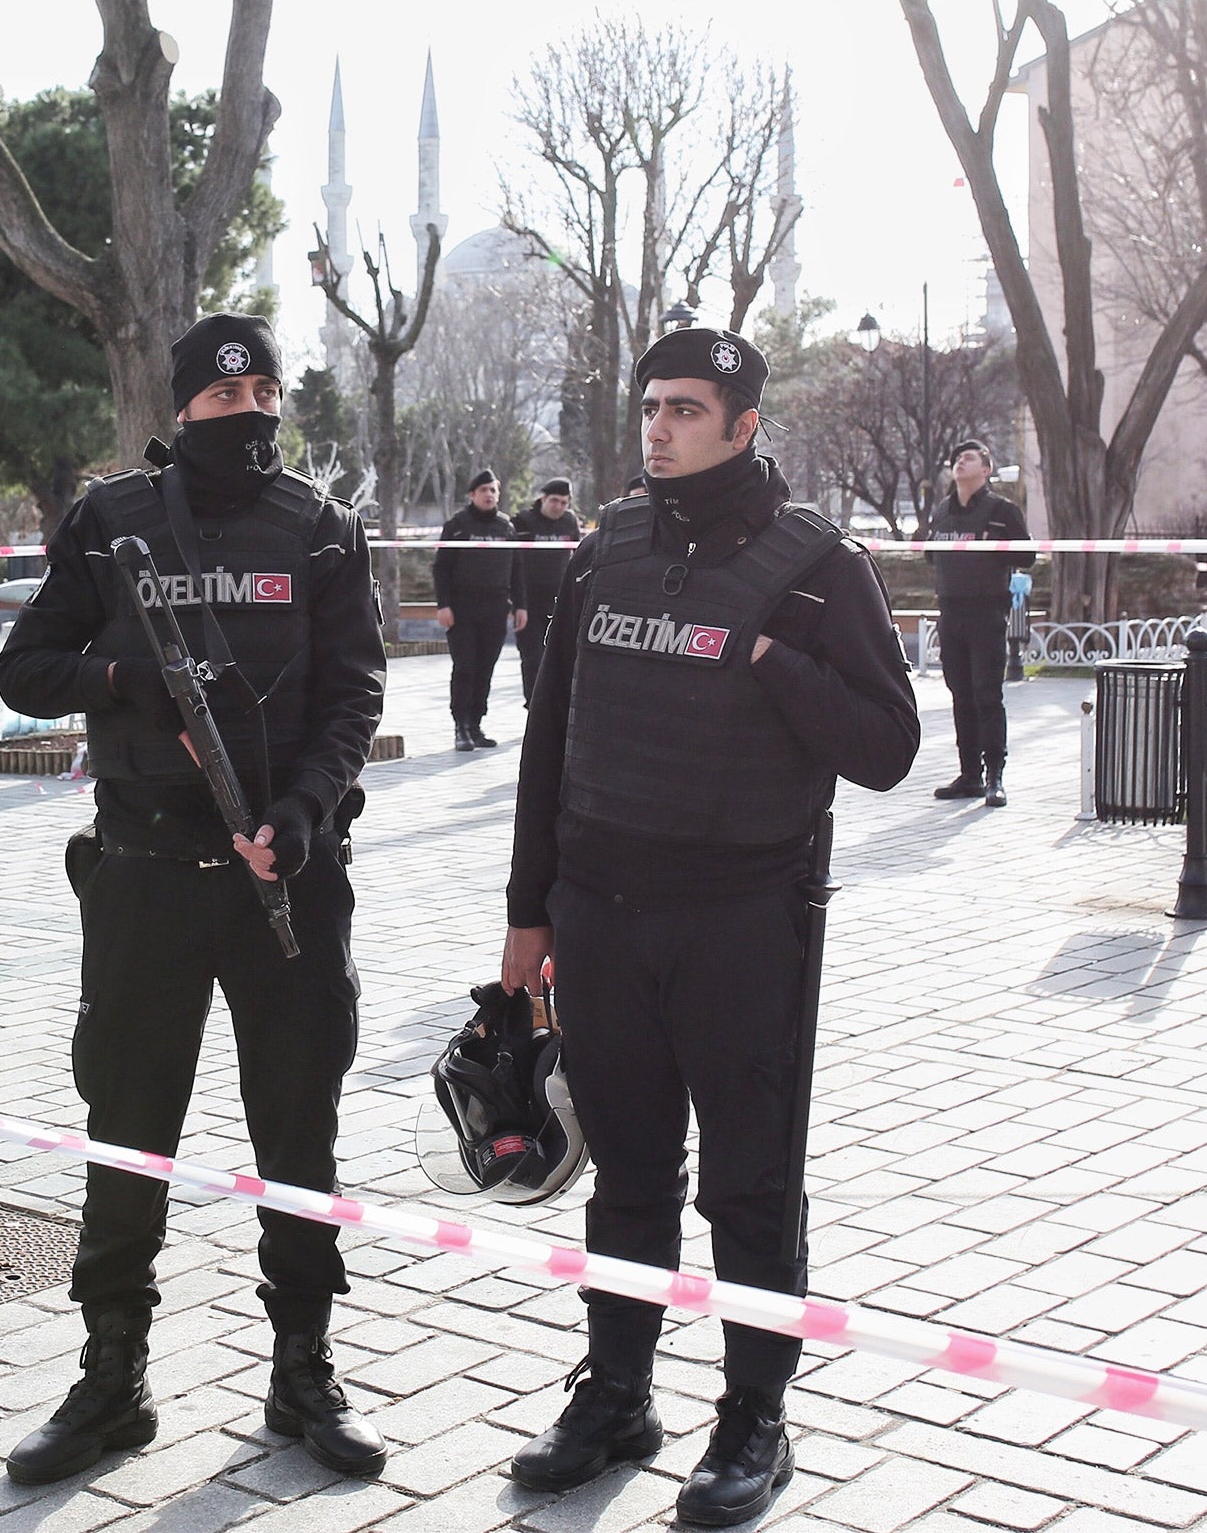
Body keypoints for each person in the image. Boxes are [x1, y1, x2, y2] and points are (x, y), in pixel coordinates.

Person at [500, 326, 919, 1525]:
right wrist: (528, 914)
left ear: (742, 426)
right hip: (600, 915)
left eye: (685, 411)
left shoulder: (816, 567)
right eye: (650, 409)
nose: (659, 429)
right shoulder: (603, 551)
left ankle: (753, 1421)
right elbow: (548, 744)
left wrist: (772, 661)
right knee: (625, 1174)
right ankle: (616, 1396)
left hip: (741, 922)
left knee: (748, 1188)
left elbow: (886, 748)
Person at [0, 313, 388, 1485]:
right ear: (178, 411)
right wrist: (121, 679)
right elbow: (24, 667)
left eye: (262, 393)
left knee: (296, 1129)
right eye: (219, 401)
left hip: (286, 881)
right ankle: (110, 1376)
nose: (244, 413)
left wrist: (305, 812)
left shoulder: (319, 531)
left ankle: (301, 1367)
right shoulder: (108, 522)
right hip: (145, 877)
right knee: (128, 1132)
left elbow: (353, 693)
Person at [924, 440, 1030, 807]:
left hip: (987, 614)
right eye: (956, 459)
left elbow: (1027, 555)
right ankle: (969, 775)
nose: (959, 463)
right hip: (951, 614)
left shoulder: (1003, 510)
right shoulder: (941, 512)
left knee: (987, 695)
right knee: (961, 696)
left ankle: (994, 777)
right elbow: (928, 556)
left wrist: (993, 545)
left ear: (986, 469)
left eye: (968, 458)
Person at [434, 470, 526, 749]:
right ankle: (460, 726)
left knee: (485, 668)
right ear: (472, 495)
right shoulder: (457, 525)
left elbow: (517, 569)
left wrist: (521, 605)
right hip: (462, 608)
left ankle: (476, 725)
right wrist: (443, 605)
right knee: (465, 667)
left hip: (496, 607)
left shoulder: (506, 527)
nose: (489, 495)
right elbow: (441, 569)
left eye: (493, 491)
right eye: (484, 490)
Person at [510, 477, 581, 703]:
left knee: (561, 659)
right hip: (528, 601)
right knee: (533, 659)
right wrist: (516, 602)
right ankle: (534, 706)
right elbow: (512, 563)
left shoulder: (570, 522)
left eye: (564, 502)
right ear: (543, 498)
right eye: (554, 501)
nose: (559, 507)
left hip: (559, 600)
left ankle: (556, 707)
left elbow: (579, 557)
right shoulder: (523, 521)